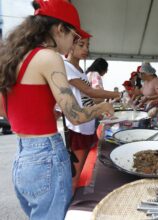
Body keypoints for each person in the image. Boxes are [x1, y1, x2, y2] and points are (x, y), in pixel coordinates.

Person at [0, 1, 113, 219]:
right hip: (46, 157)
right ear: (60, 29)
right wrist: (102, 107)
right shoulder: (49, 57)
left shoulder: (12, 57)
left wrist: (42, 113)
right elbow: (76, 115)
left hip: (23, 158)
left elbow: (5, 110)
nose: (73, 44)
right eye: (74, 37)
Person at [64, 37, 120, 191]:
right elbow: (90, 91)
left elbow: (89, 98)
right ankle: (71, 207)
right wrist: (116, 95)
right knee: (75, 175)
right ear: (70, 45)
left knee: (82, 169)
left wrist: (103, 105)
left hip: (87, 125)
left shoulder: (81, 71)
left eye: (87, 45)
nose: (86, 49)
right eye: (81, 45)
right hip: (78, 128)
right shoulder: (66, 66)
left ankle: (78, 198)